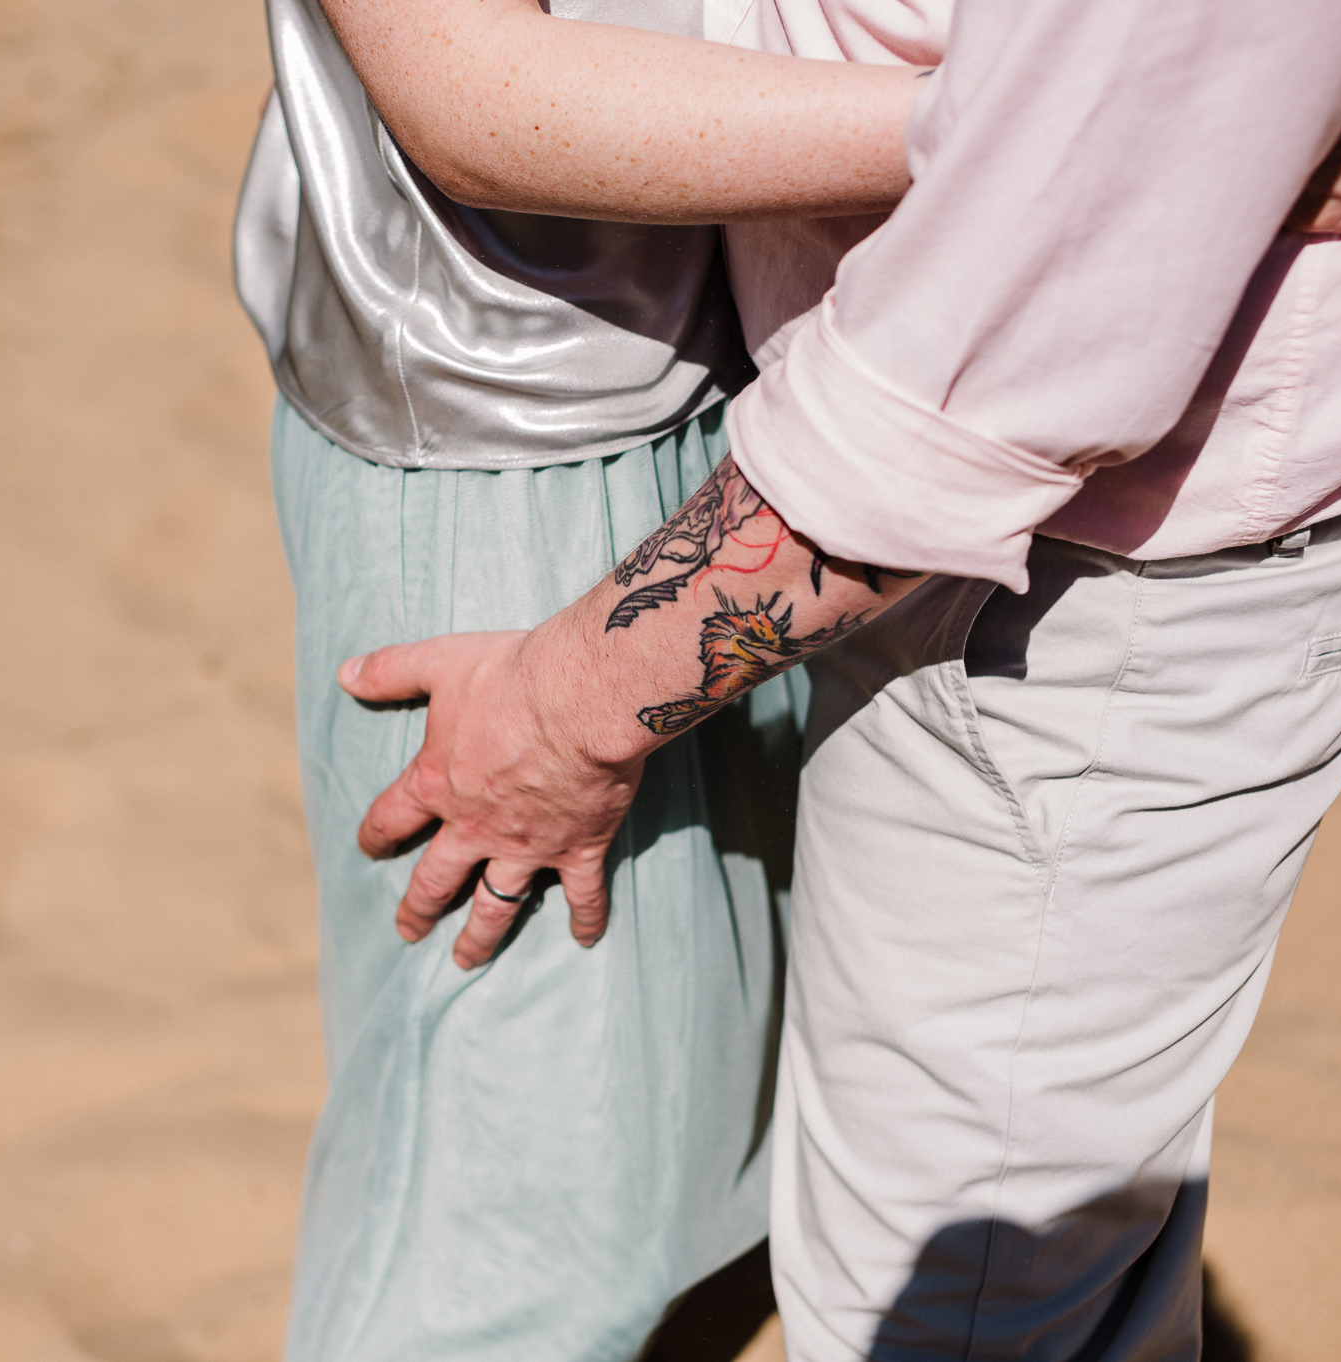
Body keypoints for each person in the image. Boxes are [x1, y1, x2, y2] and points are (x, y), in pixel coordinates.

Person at [336, 0, 1341, 1356]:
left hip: (1077, 578)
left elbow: (988, 383)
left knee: (951, 1300)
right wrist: (1060, 143)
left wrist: (568, 704)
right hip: (958, 504)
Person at [234, 6, 939, 1358]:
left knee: (715, 1176)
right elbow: (473, 93)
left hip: (769, 408)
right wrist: (1043, 136)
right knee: (515, 1244)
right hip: (512, 472)